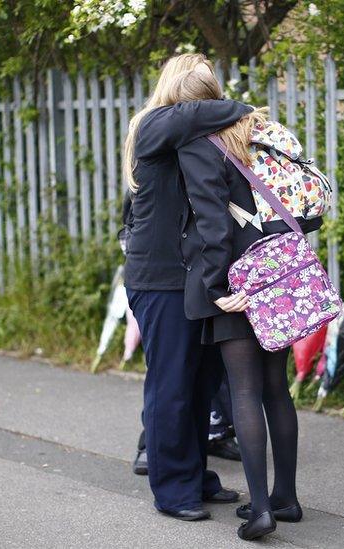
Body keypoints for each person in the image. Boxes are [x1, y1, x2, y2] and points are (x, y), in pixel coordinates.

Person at [166, 69, 303, 541]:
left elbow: (212, 224)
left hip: (239, 277)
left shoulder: (196, 143)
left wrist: (215, 286)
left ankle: (260, 508)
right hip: (279, 268)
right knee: (275, 389)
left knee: (243, 391)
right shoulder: (254, 128)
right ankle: (287, 497)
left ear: (183, 107)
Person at [122, 53, 252, 522]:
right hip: (159, 281)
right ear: (183, 91)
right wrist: (240, 108)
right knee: (172, 385)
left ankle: (196, 476)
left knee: (200, 385)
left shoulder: (190, 132)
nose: (209, 102)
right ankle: (173, 490)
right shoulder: (153, 124)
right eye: (204, 91)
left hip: (194, 279)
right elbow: (196, 113)